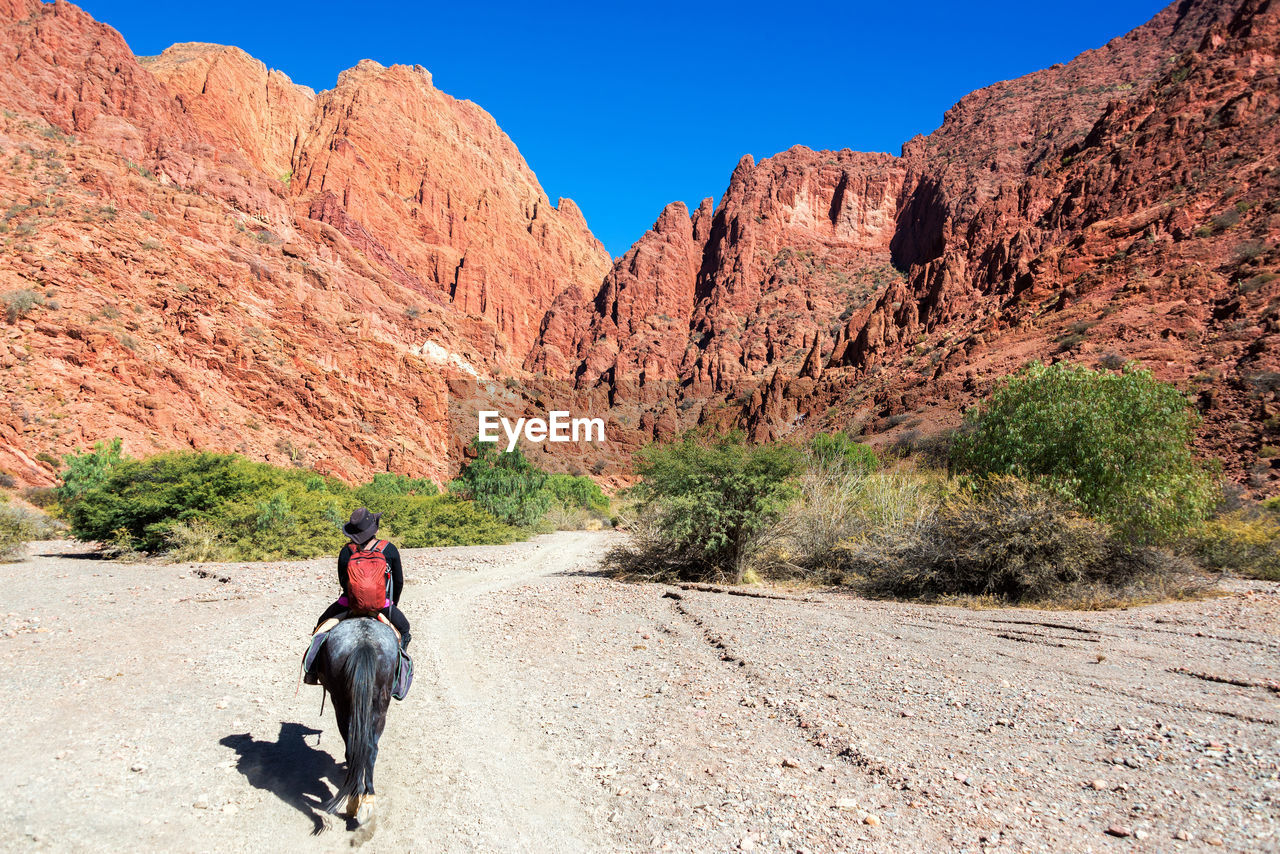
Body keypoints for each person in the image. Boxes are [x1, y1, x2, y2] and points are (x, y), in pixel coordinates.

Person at [314, 507, 411, 649]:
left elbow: (343, 582)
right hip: (381, 604)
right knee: (404, 630)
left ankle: (312, 670)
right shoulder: (390, 549)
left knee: (320, 625)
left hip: (349, 603)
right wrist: (390, 603)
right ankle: (402, 668)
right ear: (374, 530)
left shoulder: (346, 551)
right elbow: (398, 582)